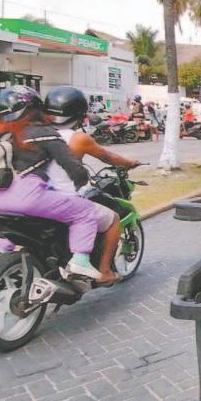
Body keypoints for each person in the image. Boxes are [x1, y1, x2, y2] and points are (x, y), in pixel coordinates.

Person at [0, 86, 121, 283]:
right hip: (25, 197)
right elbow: (71, 165)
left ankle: (2, 252)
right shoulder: (42, 132)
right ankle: (80, 262)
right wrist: (83, 184)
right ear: (35, 109)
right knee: (85, 212)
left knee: (5, 219)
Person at [44, 86, 141, 278]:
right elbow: (109, 157)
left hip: (35, 197)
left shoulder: (34, 133)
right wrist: (130, 163)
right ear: (80, 114)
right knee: (113, 219)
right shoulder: (79, 138)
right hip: (65, 199)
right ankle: (104, 272)